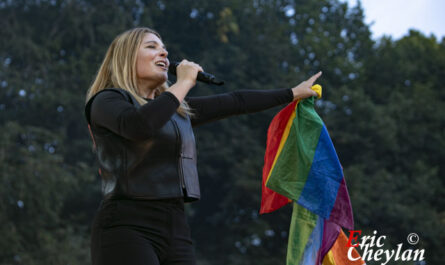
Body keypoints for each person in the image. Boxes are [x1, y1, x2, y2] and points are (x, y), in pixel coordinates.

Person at [85, 27, 321, 265]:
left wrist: (291, 93)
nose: (164, 54)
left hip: (175, 225)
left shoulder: (177, 111)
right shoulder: (107, 101)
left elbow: (236, 101)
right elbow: (139, 126)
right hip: (126, 225)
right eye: (152, 47)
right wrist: (185, 81)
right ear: (125, 57)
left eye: (165, 49)